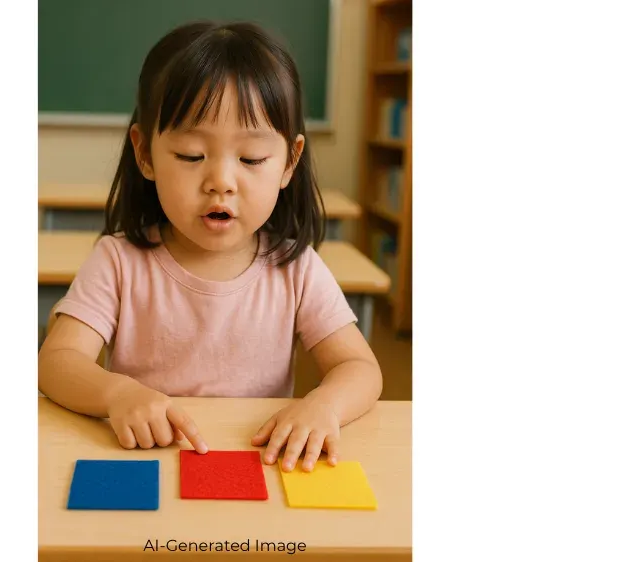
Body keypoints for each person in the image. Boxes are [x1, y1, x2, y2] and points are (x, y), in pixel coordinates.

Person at [38, 21, 382, 473]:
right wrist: (116, 393)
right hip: (145, 462)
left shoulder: (296, 268)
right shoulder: (118, 262)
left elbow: (361, 368)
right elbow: (56, 361)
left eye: (252, 159)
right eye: (191, 156)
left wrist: (324, 406)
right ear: (145, 154)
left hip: (253, 466)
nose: (221, 181)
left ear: (289, 162)